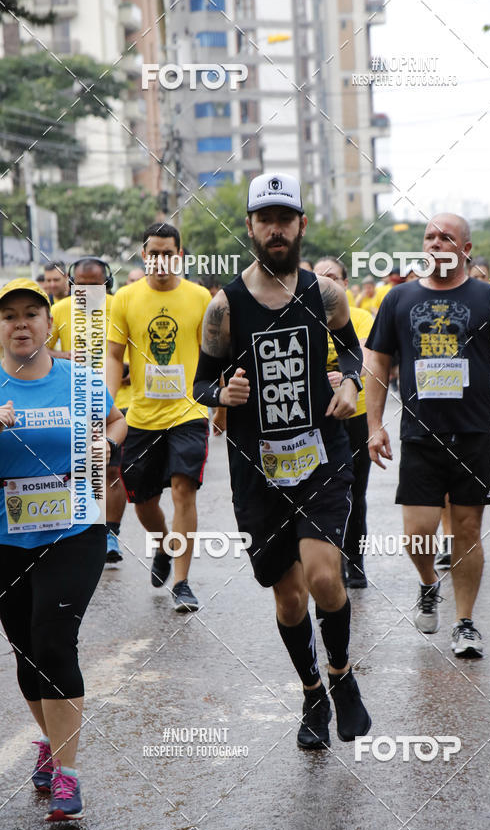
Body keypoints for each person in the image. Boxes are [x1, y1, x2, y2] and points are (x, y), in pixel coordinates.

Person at [194, 172, 370, 749]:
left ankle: (342, 676)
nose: (275, 229)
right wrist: (223, 395)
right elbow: (200, 383)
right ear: (249, 227)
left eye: (285, 218)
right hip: (257, 470)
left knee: (323, 575)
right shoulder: (224, 306)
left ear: (299, 225)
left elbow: (350, 348)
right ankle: (311, 692)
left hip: (321, 456)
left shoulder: (324, 293)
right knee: (289, 595)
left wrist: (347, 380)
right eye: (264, 219)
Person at [0, 278, 126, 822]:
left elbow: (117, 420)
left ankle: (69, 777)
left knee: (54, 638)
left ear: (50, 325)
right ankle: (50, 745)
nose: (21, 323)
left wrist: (108, 442)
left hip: (74, 529)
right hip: (5, 536)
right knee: (27, 650)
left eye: (32, 313)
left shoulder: (77, 380)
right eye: (10, 316)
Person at [366, 213, 490, 658]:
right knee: (417, 535)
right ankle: (428, 584)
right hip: (421, 436)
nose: (436, 243)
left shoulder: (489, 298)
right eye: (430, 237)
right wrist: (374, 424)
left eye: (447, 238)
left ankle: (465, 623)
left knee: (467, 530)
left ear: (466, 249)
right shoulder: (398, 298)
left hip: (473, 433)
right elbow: (378, 364)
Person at [107, 223, 212, 612]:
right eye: (153, 253)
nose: (161, 261)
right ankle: (165, 544)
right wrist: (107, 405)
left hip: (187, 412)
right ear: (143, 255)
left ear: (180, 255)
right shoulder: (125, 298)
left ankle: (182, 583)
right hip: (142, 415)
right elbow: (115, 355)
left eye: (168, 253)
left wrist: (217, 403)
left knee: (185, 489)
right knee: (143, 501)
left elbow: (212, 355)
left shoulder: (200, 298)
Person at [46, 258, 130, 566]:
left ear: (106, 283)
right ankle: (73, 530)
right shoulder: (59, 311)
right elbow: (39, 350)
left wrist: (130, 368)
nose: (88, 292)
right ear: (71, 283)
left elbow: (130, 347)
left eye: (95, 286)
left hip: (115, 402)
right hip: (71, 404)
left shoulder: (118, 306)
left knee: (109, 470)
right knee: (76, 471)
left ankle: (111, 532)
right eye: (81, 285)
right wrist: (63, 355)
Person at [314, 258, 374, 587]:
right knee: (323, 494)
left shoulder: (360, 316)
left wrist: (347, 376)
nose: (327, 283)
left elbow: (359, 354)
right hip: (317, 420)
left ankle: (356, 561)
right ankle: (328, 562)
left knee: (355, 492)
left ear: (346, 284)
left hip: (355, 416)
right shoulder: (305, 316)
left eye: (333, 277)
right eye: (320, 278)